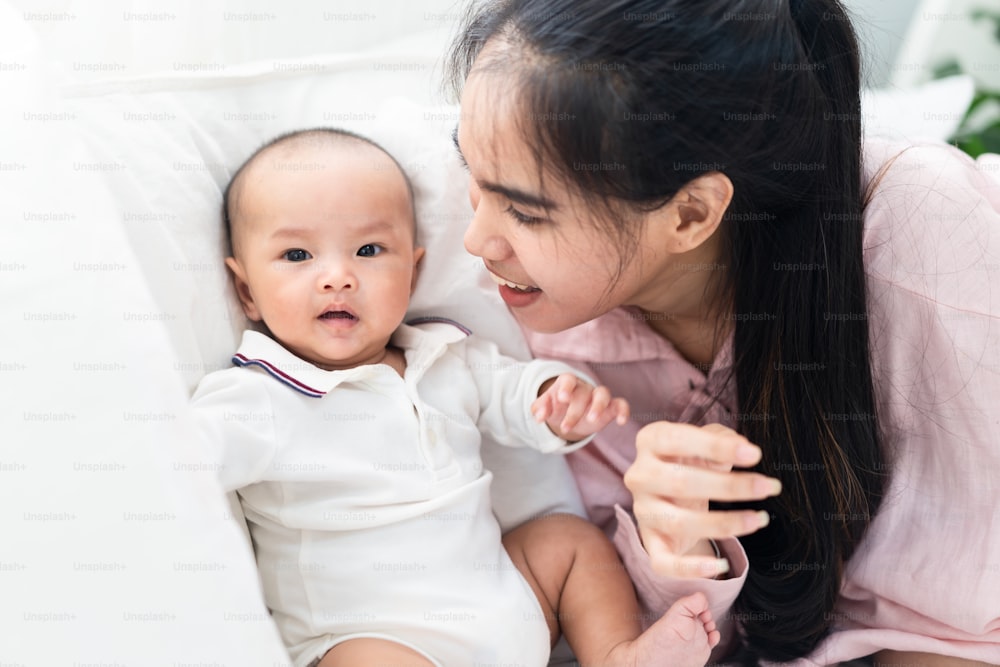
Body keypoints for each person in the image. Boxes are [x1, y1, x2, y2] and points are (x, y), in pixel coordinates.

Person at [447, 0, 1000, 665]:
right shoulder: (544, 340)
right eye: (474, 182)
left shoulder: (923, 238)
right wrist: (674, 553)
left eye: (527, 213)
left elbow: (962, 621)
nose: (476, 240)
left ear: (690, 214)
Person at [190, 128, 726, 667]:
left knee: (569, 543)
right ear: (246, 291)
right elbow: (180, 459)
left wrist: (557, 400)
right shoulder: (259, 397)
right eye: (297, 254)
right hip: (371, 637)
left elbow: (516, 392)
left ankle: (614, 654)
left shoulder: (447, 356)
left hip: (508, 605)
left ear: (413, 271)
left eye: (369, 250)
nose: (338, 278)